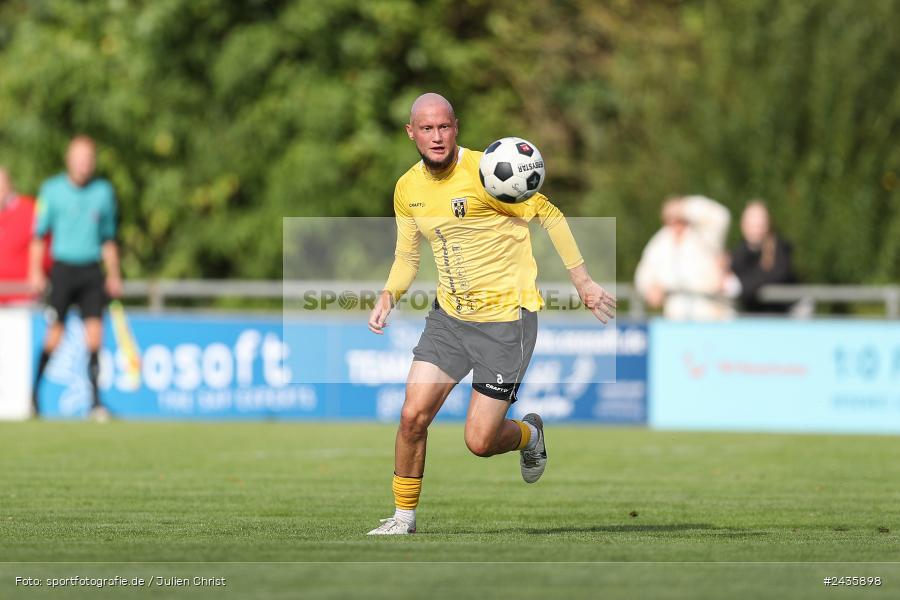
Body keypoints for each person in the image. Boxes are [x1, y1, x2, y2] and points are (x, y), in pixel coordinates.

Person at [365, 93, 616, 535]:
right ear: (412, 133)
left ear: (455, 127)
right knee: (411, 416)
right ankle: (403, 518)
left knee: (479, 443)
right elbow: (407, 256)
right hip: (450, 320)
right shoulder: (407, 188)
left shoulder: (489, 171)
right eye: (426, 129)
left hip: (506, 322)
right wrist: (389, 294)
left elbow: (550, 214)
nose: (436, 137)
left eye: (443, 127)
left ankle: (529, 435)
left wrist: (583, 281)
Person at [29, 136, 122, 420]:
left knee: (95, 337)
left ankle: (95, 403)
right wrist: (34, 272)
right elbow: (38, 236)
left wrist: (114, 274)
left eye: (88, 159)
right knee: (54, 337)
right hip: (63, 269)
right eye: (78, 158)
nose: (83, 164)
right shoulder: (52, 190)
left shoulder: (103, 192)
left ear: (93, 162)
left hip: (91, 271)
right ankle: (33, 395)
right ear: (69, 159)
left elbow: (108, 238)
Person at [634, 195, 737, 321]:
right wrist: (648, 288)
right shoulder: (660, 242)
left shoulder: (704, 233)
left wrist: (687, 206)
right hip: (677, 315)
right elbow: (644, 272)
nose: (675, 222)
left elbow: (721, 216)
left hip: (710, 309)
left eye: (678, 217)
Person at [730, 200, 795, 313]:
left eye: (759, 225)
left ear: (768, 225)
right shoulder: (738, 254)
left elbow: (774, 275)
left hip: (783, 316)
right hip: (753, 319)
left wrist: (739, 286)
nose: (756, 230)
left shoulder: (780, 250)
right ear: (743, 225)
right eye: (752, 225)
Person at [0, 167, 45, 304]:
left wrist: (38, 271)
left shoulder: (30, 209)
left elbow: (43, 243)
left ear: (9, 185)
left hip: (22, 295)